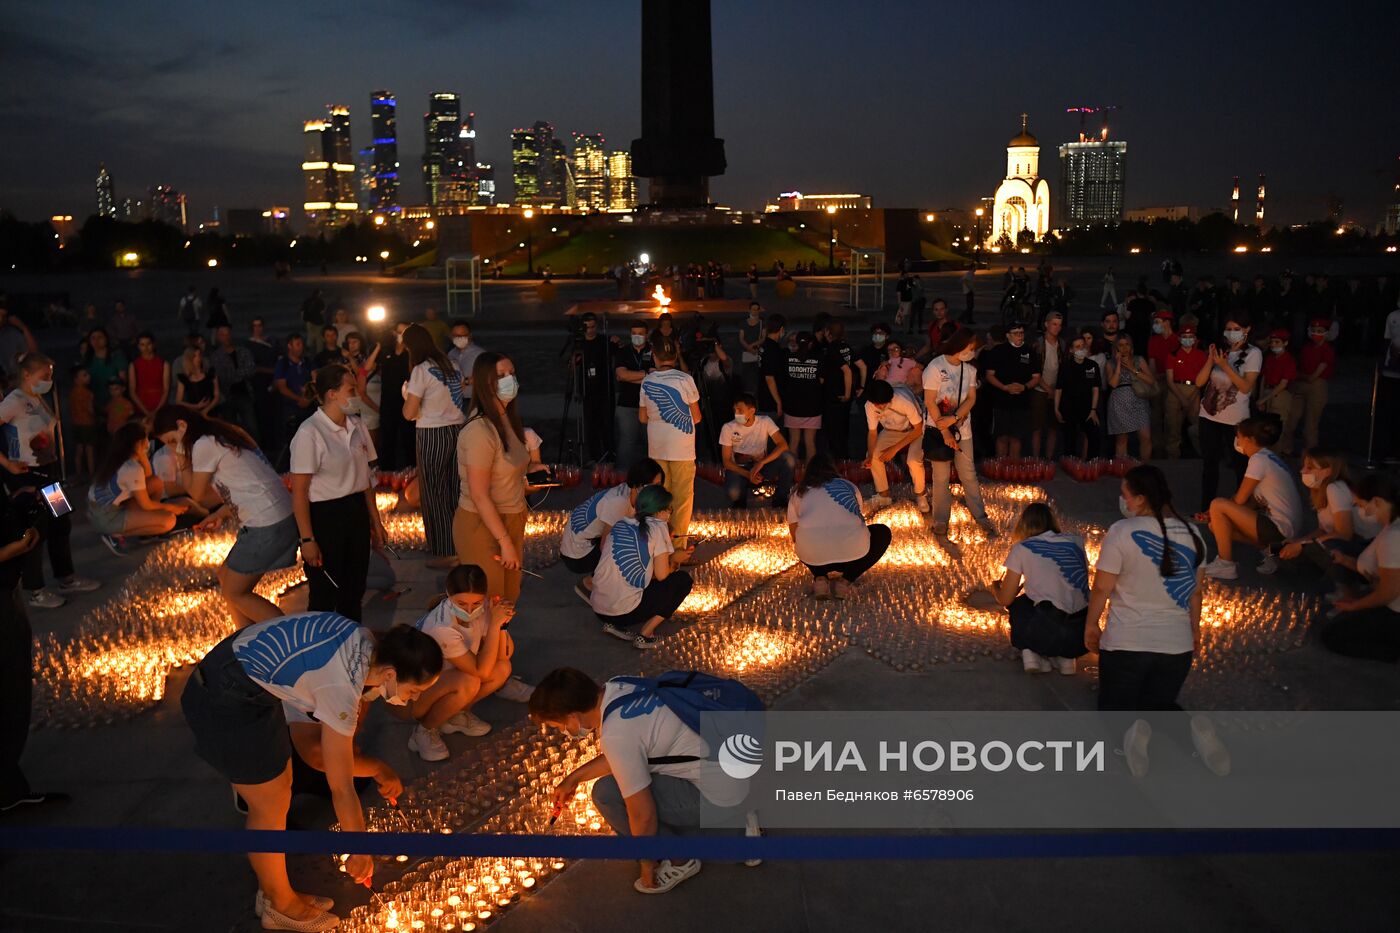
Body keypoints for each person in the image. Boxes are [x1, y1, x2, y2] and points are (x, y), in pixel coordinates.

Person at [181, 615, 443, 932]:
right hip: (224, 696)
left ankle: (274, 889)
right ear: (390, 673)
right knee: (269, 805)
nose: (414, 698)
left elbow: (320, 752)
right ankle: (280, 907)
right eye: (415, 690)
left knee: (279, 791)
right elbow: (340, 783)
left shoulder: (368, 644)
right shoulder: (341, 683)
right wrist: (358, 849)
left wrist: (376, 770)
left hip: (244, 680)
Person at [529, 666, 754, 894]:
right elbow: (627, 755)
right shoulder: (619, 685)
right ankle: (738, 825)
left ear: (573, 717)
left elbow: (642, 814)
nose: (563, 732)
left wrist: (647, 862)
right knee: (623, 786)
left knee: (608, 795)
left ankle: (683, 859)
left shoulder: (615, 734)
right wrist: (573, 778)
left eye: (558, 727)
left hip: (718, 792)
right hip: (733, 764)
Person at [1084, 465, 1216, 777]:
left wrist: (1091, 625)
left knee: (1113, 710)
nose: (1123, 502)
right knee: (1157, 705)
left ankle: (1128, 737)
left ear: (1141, 499)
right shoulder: (1194, 533)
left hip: (1127, 646)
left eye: (1125, 496)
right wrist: (1194, 630)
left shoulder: (1122, 532)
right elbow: (1195, 594)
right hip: (1176, 650)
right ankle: (1192, 733)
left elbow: (1102, 587)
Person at [153, 405, 297, 627]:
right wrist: (222, 512)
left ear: (182, 425)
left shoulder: (204, 444)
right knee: (225, 577)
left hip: (268, 523)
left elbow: (197, 495)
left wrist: (181, 456)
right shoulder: (218, 435)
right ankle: (244, 641)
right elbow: (244, 485)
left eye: (172, 441)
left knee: (236, 591)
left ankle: (292, 640)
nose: (173, 449)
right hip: (273, 516)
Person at [0, 354, 99, 609]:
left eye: (51, 374)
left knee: (60, 523)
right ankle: (36, 590)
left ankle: (66, 576)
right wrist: (8, 463)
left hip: (49, 472)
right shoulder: (14, 401)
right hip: (28, 475)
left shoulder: (37, 398)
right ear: (27, 374)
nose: (49, 380)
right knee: (35, 528)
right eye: (44, 375)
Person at [290, 365, 386, 622]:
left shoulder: (356, 425)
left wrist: (374, 521)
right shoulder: (310, 432)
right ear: (332, 394)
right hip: (326, 516)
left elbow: (365, 478)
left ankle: (351, 644)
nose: (357, 394)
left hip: (355, 511)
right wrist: (307, 539)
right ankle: (320, 649)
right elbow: (299, 492)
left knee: (354, 588)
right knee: (324, 591)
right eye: (351, 389)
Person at [407, 565, 526, 760]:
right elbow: (481, 672)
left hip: (447, 679)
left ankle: (453, 715)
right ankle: (424, 730)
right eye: (462, 604)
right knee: (469, 681)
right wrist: (495, 624)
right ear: (448, 595)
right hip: (416, 696)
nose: (470, 610)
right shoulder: (442, 627)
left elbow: (504, 656)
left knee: (503, 669)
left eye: (476, 603)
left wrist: (502, 625)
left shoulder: (484, 607)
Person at [454, 352, 530, 600]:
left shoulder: (505, 419)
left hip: (511, 517)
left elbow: (506, 467)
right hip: (483, 525)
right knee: (492, 600)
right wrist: (504, 541)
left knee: (509, 598)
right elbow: (479, 494)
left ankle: (501, 640)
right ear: (485, 382)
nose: (509, 380)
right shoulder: (480, 430)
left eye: (511, 374)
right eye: (501, 376)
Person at [1201, 415, 1305, 581]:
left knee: (1217, 504)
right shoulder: (1268, 456)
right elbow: (1252, 501)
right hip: (1288, 528)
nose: (1237, 441)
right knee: (1217, 524)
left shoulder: (1258, 460)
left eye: (1239, 437)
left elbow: (1240, 500)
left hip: (1280, 528)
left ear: (1249, 439)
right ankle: (1273, 553)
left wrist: (1217, 509)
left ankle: (1225, 564)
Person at [988, 502, 1088, 674]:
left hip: (1045, 633)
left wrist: (996, 587)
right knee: (1059, 602)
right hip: (1082, 637)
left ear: (1023, 525)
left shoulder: (1022, 548)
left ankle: (1031, 654)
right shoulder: (1075, 542)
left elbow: (1005, 598)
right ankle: (1066, 660)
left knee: (1019, 604)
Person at [591, 485, 693, 648]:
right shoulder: (658, 527)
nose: (669, 513)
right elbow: (662, 576)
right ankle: (645, 634)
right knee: (682, 581)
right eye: (669, 509)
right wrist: (675, 559)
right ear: (660, 511)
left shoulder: (622, 522)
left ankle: (615, 625)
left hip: (599, 609)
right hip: (624, 612)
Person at [402, 323, 468, 567]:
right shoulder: (452, 365)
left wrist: (406, 396)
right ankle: (460, 545)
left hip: (432, 433)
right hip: (457, 430)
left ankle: (444, 550)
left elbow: (409, 413)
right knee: (453, 489)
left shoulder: (421, 370)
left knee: (433, 491)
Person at [922, 328, 997, 538]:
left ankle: (980, 516)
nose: (971, 352)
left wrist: (955, 418)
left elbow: (971, 398)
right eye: (970, 348)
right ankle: (940, 520)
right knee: (941, 476)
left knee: (969, 474)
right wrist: (945, 431)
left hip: (962, 430)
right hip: (938, 431)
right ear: (959, 345)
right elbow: (930, 401)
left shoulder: (970, 369)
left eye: (973, 349)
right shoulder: (935, 367)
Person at [1320, 473, 1400, 661]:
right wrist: (1343, 560)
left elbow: (1388, 593)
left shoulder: (1393, 536)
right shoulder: (1390, 528)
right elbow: (1377, 570)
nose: (1360, 508)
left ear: (1377, 501)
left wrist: (1355, 606)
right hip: (1390, 605)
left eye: (1361, 504)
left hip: (1395, 613)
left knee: (1333, 636)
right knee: (1338, 623)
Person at [788, 453, 891, 599]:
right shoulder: (848, 486)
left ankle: (820, 578)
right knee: (882, 532)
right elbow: (857, 518)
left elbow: (794, 535)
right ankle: (845, 581)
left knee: (805, 539)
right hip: (853, 557)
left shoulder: (799, 492)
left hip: (815, 558)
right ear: (833, 469)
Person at [563, 459, 664, 601]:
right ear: (637, 485)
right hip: (578, 554)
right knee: (628, 547)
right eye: (651, 486)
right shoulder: (619, 502)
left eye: (659, 486)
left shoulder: (632, 495)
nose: (656, 491)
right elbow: (606, 545)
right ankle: (590, 584)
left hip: (586, 542)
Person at [88, 421, 191, 550]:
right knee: (169, 520)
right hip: (107, 517)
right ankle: (114, 534)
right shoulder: (131, 468)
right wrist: (170, 507)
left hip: (99, 509)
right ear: (137, 443)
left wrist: (141, 455)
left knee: (156, 482)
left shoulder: (118, 457)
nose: (148, 441)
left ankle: (147, 524)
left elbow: (148, 478)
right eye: (145, 438)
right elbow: (146, 504)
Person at [1195, 315, 1262, 511]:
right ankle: (1206, 507)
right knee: (1209, 464)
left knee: (1240, 464)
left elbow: (1245, 387)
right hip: (1209, 416)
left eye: (1235, 328)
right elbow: (1199, 382)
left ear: (1246, 329)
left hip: (1236, 420)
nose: (1231, 332)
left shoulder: (1253, 353)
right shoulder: (1222, 351)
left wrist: (1225, 366)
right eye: (1228, 328)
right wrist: (1211, 360)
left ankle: (1242, 506)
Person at [640, 336, 701, 549]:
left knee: (659, 496)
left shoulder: (647, 381)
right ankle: (678, 546)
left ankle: (658, 544)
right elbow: (697, 417)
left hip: (657, 446)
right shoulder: (686, 379)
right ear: (675, 357)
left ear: (654, 356)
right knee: (682, 497)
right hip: (682, 448)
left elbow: (642, 417)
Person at [1277, 447, 1372, 580]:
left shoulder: (1336, 488)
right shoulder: (1320, 490)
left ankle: (1346, 583)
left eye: (1310, 468)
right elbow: (1323, 530)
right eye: (1304, 466)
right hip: (1348, 543)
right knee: (1290, 550)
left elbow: (1344, 534)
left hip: (1365, 546)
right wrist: (1298, 542)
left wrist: (1303, 545)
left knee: (1321, 548)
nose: (1302, 471)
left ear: (1328, 471)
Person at [719, 394, 794, 511]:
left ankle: (780, 501)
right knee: (733, 493)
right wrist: (749, 474)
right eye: (735, 410)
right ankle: (739, 504)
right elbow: (726, 461)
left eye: (740, 410)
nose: (736, 413)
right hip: (739, 469)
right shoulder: (728, 427)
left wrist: (762, 463)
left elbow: (783, 445)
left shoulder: (765, 422)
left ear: (751, 411)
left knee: (788, 459)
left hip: (761, 466)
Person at [861, 380, 926, 511]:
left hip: (915, 430)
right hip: (891, 431)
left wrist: (894, 449)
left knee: (913, 460)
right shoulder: (869, 405)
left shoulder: (903, 401)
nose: (879, 407)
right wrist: (870, 455)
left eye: (882, 404)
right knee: (873, 456)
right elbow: (873, 433)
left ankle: (921, 494)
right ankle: (884, 495)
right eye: (876, 405)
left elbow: (918, 429)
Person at [982, 322, 1039, 458]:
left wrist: (1024, 387)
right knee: (1002, 436)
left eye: (1021, 333)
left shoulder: (1030, 352)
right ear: (1008, 336)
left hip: (1021, 402)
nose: (1019, 336)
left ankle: (1012, 467)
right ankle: (1000, 465)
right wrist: (1004, 387)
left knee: (1016, 437)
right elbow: (989, 375)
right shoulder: (998, 351)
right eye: (1016, 333)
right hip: (1002, 401)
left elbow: (1036, 377)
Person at [612, 320, 654, 470]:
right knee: (626, 442)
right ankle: (622, 476)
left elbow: (657, 377)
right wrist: (646, 375)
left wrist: (631, 377)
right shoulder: (623, 352)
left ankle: (652, 475)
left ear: (646, 335)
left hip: (650, 406)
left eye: (640, 334)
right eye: (634, 333)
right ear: (630, 334)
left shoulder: (654, 351)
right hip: (627, 405)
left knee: (651, 442)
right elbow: (621, 375)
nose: (637, 336)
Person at [572, 312, 613, 464]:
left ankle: (609, 455)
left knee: (606, 424)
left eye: (593, 326)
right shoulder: (579, 344)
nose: (590, 330)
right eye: (587, 327)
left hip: (603, 389)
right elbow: (571, 366)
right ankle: (594, 457)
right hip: (587, 390)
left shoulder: (604, 341)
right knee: (590, 425)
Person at [1106, 334, 1154, 459]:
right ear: (1116, 347)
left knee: (1145, 436)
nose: (1124, 348)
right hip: (1119, 402)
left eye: (1127, 344)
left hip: (1139, 400)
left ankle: (1144, 467)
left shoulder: (1139, 360)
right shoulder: (1110, 363)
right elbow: (1113, 383)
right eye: (1121, 345)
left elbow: (1151, 381)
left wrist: (1133, 369)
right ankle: (1121, 467)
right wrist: (1118, 365)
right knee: (1122, 438)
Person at [1054, 335, 1101, 460]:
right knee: (1069, 438)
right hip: (1068, 407)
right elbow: (1059, 389)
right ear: (1071, 350)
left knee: (1093, 435)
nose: (1081, 349)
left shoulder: (1092, 365)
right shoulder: (1065, 366)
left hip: (1087, 408)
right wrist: (1056, 409)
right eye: (1077, 346)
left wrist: (1093, 409)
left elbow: (1096, 389)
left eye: (1083, 346)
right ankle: (1071, 464)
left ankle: (1091, 464)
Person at [1163, 324, 1206, 459]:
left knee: (1197, 426)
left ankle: (1202, 455)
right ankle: (1173, 457)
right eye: (1184, 337)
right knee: (1173, 427)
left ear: (1195, 339)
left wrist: (1192, 397)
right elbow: (1169, 380)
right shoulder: (1172, 355)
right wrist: (1182, 398)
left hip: (1194, 390)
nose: (1187, 339)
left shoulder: (1201, 355)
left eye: (1190, 337)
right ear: (1180, 338)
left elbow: (1202, 378)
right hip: (1175, 390)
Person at [1293, 318, 1335, 452]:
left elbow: (1314, 376)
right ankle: (1286, 448)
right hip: (1300, 384)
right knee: (1292, 417)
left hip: (1316, 386)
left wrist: (1303, 376)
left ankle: (1311, 452)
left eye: (1320, 331)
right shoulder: (1306, 348)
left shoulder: (1327, 350)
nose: (1316, 333)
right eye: (1314, 330)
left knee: (1311, 423)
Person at [209, 324, 257, 439]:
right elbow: (222, 376)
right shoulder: (216, 356)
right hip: (227, 397)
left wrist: (234, 375)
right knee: (230, 431)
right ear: (218, 337)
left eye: (228, 334)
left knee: (252, 428)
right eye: (222, 335)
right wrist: (240, 374)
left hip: (245, 395)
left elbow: (251, 370)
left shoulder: (243, 352)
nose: (226, 337)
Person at [781, 331, 823, 463]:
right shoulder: (818, 358)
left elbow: (784, 380)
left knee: (793, 442)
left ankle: (792, 473)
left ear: (797, 343)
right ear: (811, 344)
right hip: (813, 406)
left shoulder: (788, 358)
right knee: (810, 442)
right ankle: (810, 474)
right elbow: (821, 380)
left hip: (792, 406)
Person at [1256, 329, 1300, 455]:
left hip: (1280, 394)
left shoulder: (1289, 360)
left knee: (1278, 426)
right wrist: (1261, 397)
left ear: (1285, 343)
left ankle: (1278, 452)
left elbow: (1283, 384)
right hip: (1268, 391)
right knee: (1267, 425)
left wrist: (1263, 398)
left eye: (1277, 342)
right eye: (1272, 342)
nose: (1273, 345)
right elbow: (1264, 377)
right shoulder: (1270, 358)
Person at [273, 334, 314, 464]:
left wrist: (309, 398)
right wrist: (299, 399)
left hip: (308, 408)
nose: (301, 347)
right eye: (297, 344)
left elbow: (316, 379)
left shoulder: (307, 362)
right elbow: (282, 387)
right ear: (289, 346)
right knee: (291, 442)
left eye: (301, 344)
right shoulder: (283, 363)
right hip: (290, 409)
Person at [1030, 312, 1065, 460]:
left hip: (1056, 391)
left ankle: (1049, 459)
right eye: (1054, 324)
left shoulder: (1062, 344)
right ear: (1046, 324)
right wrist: (1047, 388)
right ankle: (1036, 459)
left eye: (1059, 325)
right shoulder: (1038, 344)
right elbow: (1034, 370)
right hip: (1039, 390)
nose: (1057, 328)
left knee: (1053, 427)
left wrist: (1056, 390)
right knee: (1037, 427)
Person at [819, 320, 854, 459]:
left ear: (828, 332)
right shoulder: (845, 347)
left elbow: (847, 371)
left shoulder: (832, 348)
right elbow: (860, 365)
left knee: (834, 431)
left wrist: (846, 394)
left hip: (836, 394)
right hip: (844, 395)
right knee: (843, 430)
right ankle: (844, 459)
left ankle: (839, 460)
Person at [127, 332, 170, 421]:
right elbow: (132, 391)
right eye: (142, 344)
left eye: (148, 344)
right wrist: (146, 412)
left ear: (153, 344)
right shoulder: (134, 365)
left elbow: (166, 389)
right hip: (141, 404)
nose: (146, 347)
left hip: (160, 403)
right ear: (138, 346)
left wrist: (157, 410)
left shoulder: (163, 364)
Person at [67, 367, 97, 478]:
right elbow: (90, 410)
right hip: (88, 424)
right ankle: (92, 474)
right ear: (76, 379)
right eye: (84, 375)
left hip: (76, 424)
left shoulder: (72, 393)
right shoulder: (88, 393)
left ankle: (78, 474)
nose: (88, 377)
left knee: (79, 450)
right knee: (89, 450)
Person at [757, 314, 787, 419]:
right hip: (770, 401)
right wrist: (778, 402)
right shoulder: (773, 349)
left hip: (763, 395)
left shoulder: (764, 345)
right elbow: (769, 377)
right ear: (781, 329)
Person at [174, 345, 219, 415]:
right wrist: (196, 406)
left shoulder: (210, 374)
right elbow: (178, 401)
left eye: (199, 355)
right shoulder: (184, 378)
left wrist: (206, 410)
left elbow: (216, 396)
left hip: (211, 413)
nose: (198, 358)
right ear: (189, 358)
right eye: (195, 356)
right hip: (193, 414)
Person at [447, 320, 484, 396]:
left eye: (461, 335)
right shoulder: (451, 354)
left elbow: (486, 376)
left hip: (473, 400)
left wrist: (466, 382)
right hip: (454, 400)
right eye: (455, 336)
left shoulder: (480, 354)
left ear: (469, 335)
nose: (458, 338)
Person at [738, 302, 764, 396]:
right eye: (753, 309)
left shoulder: (762, 322)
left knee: (756, 373)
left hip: (754, 351)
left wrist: (751, 346)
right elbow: (741, 338)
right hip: (749, 351)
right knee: (747, 373)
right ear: (749, 310)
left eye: (757, 309)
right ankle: (747, 393)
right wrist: (750, 348)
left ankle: (754, 393)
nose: (755, 311)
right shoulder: (743, 323)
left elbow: (763, 337)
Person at [300, 289, 326, 354]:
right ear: (319, 294)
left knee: (310, 336)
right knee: (319, 338)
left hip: (309, 321)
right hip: (319, 322)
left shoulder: (307, 300)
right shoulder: (320, 301)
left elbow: (302, 311)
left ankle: (308, 351)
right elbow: (322, 312)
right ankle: (319, 353)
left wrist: (303, 320)